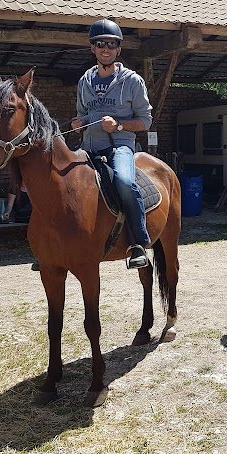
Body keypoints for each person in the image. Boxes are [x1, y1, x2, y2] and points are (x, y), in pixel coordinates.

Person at [71, 19, 153, 269]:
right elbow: (82, 113)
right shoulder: (85, 81)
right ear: (92, 49)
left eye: (111, 44)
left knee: (125, 183)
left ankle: (139, 243)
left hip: (120, 146)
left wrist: (118, 125)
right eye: (100, 44)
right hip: (89, 146)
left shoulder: (133, 81)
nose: (105, 49)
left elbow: (145, 121)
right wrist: (79, 121)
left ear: (118, 50)